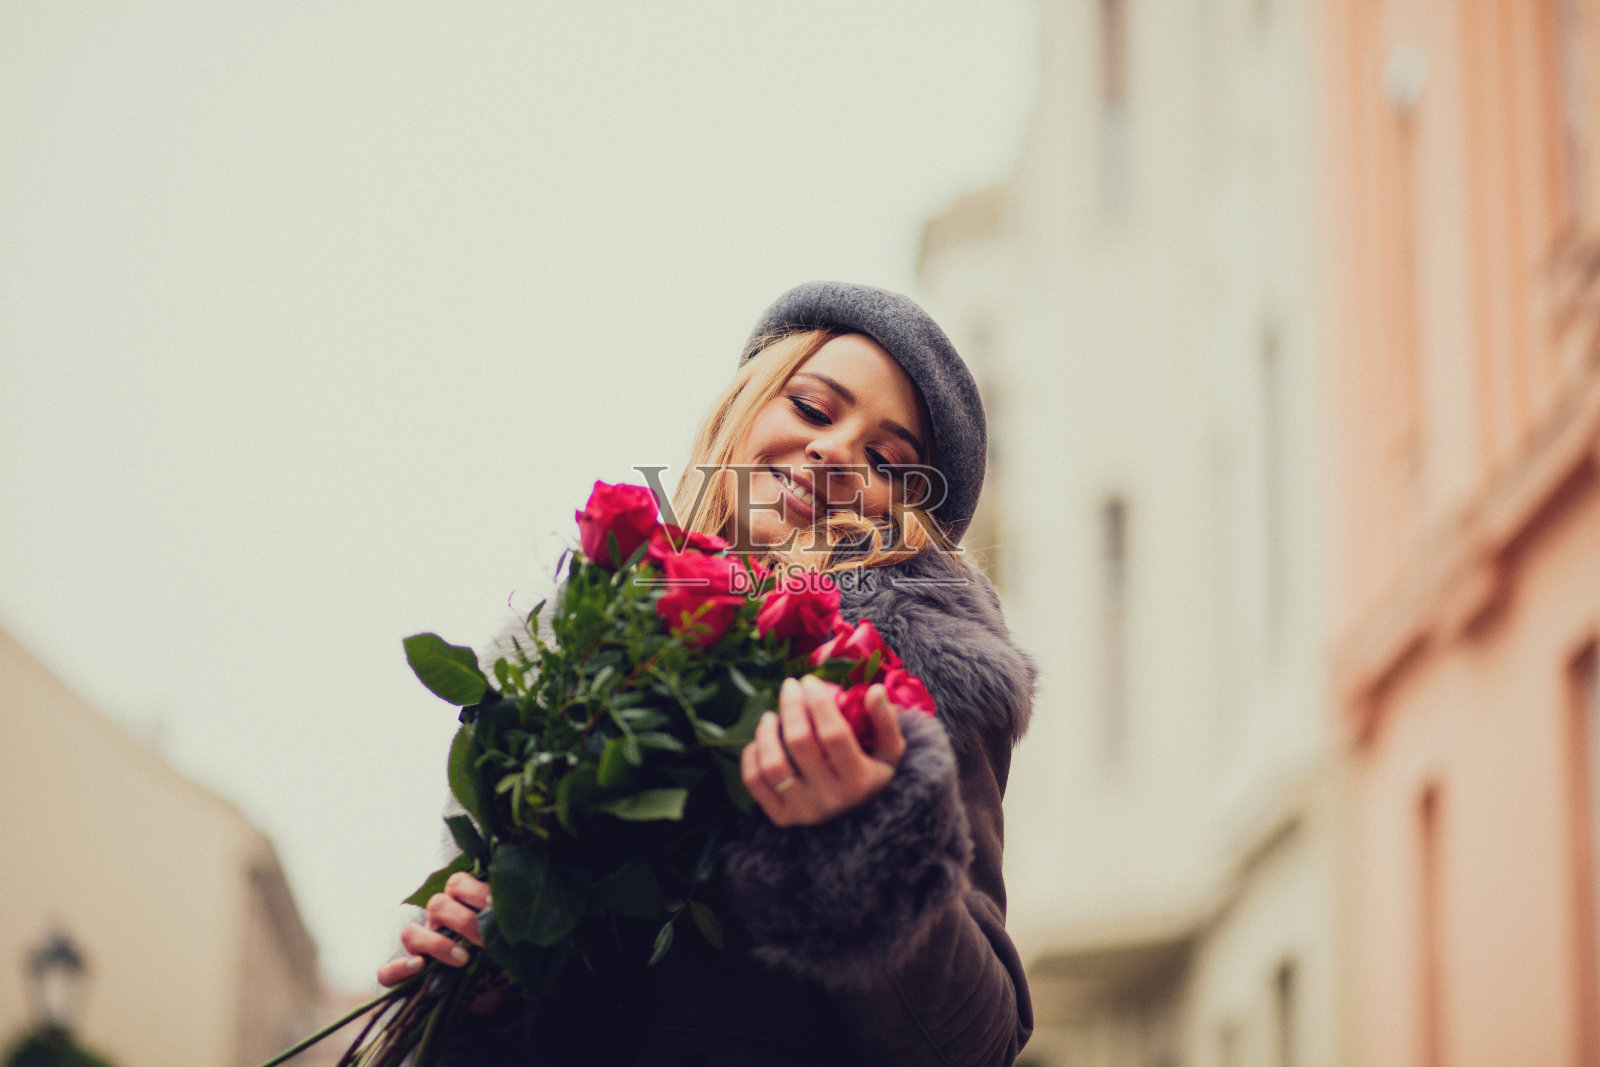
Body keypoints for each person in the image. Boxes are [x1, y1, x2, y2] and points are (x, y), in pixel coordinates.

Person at [377, 282, 1037, 1066]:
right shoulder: (579, 651)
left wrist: (872, 844)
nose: (831, 452)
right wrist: (489, 982)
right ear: (746, 407)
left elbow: (977, 1044)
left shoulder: (910, 689)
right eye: (815, 409)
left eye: (886, 460)